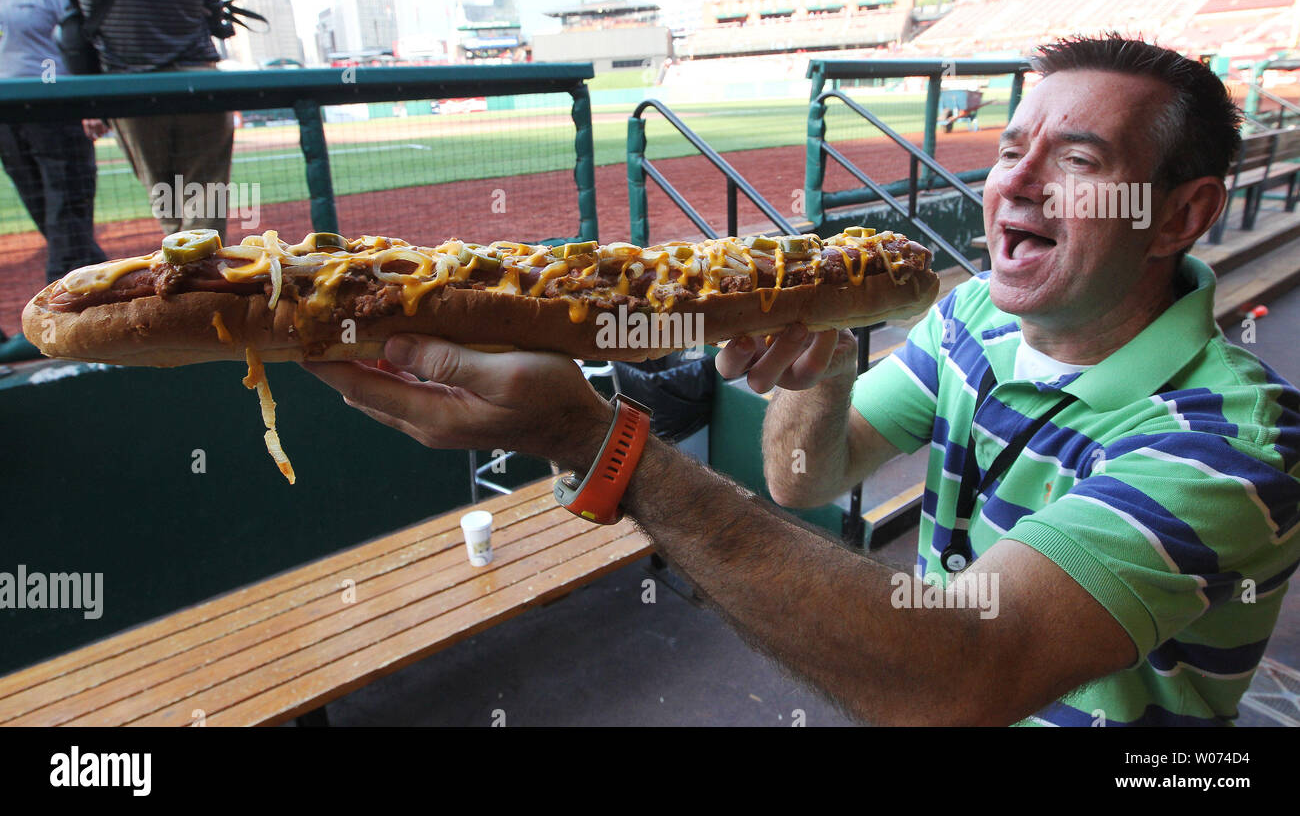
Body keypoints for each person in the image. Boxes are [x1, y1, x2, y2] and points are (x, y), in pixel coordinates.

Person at [302, 36, 1300, 726]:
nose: (1012, 184)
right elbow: (802, 476)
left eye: (1074, 159)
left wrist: (593, 440)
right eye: (1007, 149)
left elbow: (954, 676)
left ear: (1181, 215)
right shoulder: (974, 317)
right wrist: (820, 362)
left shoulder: (1232, 447)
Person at [58, 0, 233, 236]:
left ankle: (179, 269)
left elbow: (75, 26)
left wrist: (90, 103)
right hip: (200, 83)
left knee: (165, 199)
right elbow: (205, 4)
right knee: (206, 204)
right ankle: (201, 272)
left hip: (129, 89)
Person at [0, 0, 104, 359]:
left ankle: (55, 314)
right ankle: (95, 291)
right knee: (46, 211)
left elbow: (79, 43)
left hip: (55, 110)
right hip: (6, 118)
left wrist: (89, 105)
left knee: (67, 209)